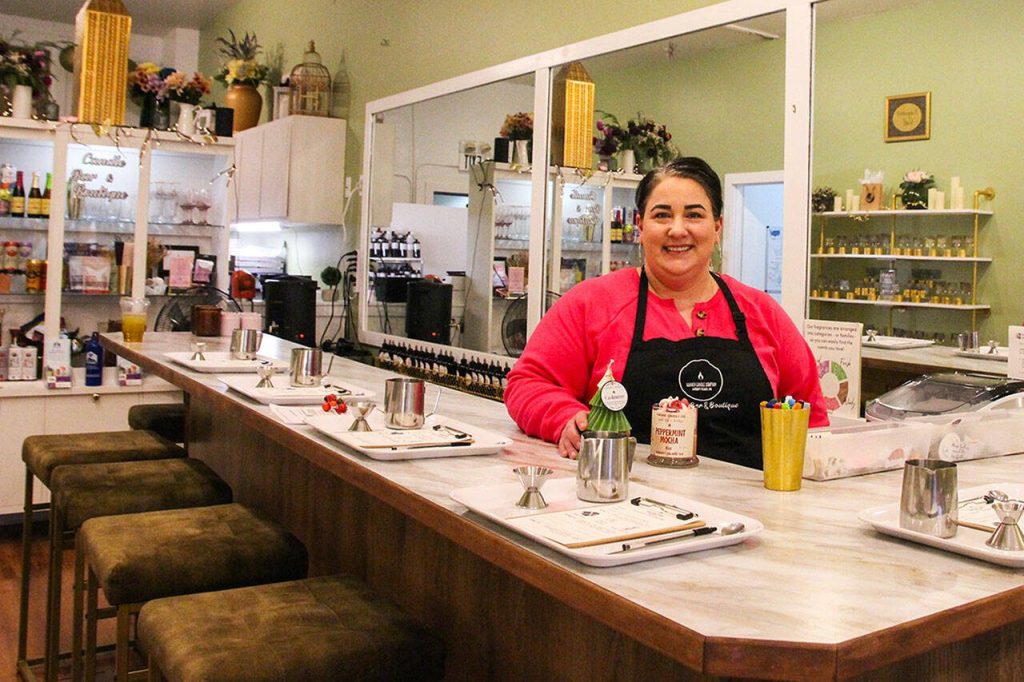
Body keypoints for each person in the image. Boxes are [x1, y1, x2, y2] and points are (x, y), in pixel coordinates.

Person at [504, 156, 827, 469]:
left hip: (755, 510)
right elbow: (528, 384)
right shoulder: (592, 303)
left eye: (694, 215)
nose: (677, 229)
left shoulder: (762, 311)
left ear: (717, 228)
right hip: (628, 504)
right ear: (640, 226)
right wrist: (562, 417)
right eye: (661, 215)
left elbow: (810, 417)